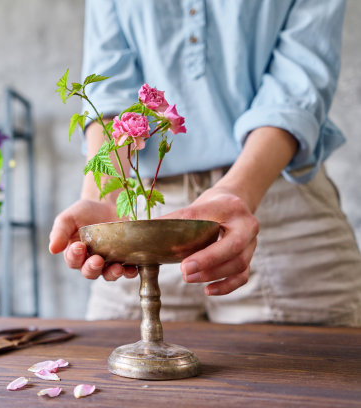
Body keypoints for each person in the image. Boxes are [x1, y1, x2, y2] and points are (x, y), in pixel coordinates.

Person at [49, 0, 361, 326]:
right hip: (142, 216)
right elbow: (108, 89)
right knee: (114, 369)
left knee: (307, 369)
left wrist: (238, 192)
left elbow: (299, 80)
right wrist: (102, 197)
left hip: (276, 200)